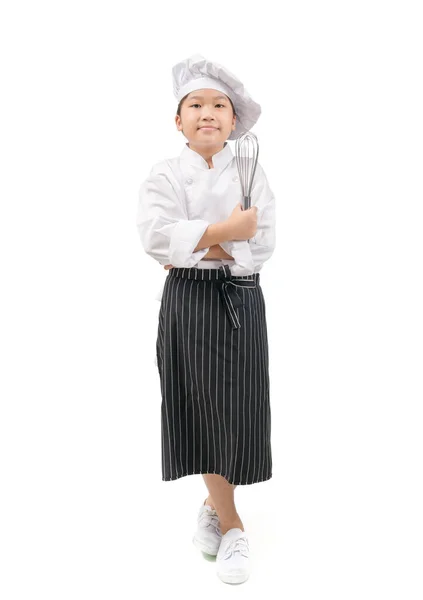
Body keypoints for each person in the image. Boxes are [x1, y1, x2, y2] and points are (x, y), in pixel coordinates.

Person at [136, 54, 276, 585]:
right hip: (187, 303)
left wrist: (196, 239)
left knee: (237, 411)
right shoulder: (164, 174)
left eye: (219, 105)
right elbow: (154, 238)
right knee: (199, 408)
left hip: (241, 300)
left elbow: (261, 245)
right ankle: (234, 523)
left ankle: (215, 510)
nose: (208, 113)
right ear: (179, 120)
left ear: (234, 120)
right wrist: (228, 230)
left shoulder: (251, 170)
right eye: (195, 104)